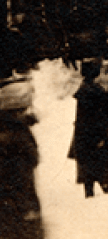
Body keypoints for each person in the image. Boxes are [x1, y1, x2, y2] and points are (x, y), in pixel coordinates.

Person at [0, 71, 43, 239]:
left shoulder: (13, 130)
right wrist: (28, 208)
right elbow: (19, 173)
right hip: (18, 205)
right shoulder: (14, 135)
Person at [68, 59, 108, 198]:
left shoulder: (84, 88)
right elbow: (102, 112)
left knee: (87, 159)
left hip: (84, 131)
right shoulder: (96, 91)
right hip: (96, 130)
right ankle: (104, 185)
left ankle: (90, 189)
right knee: (99, 157)